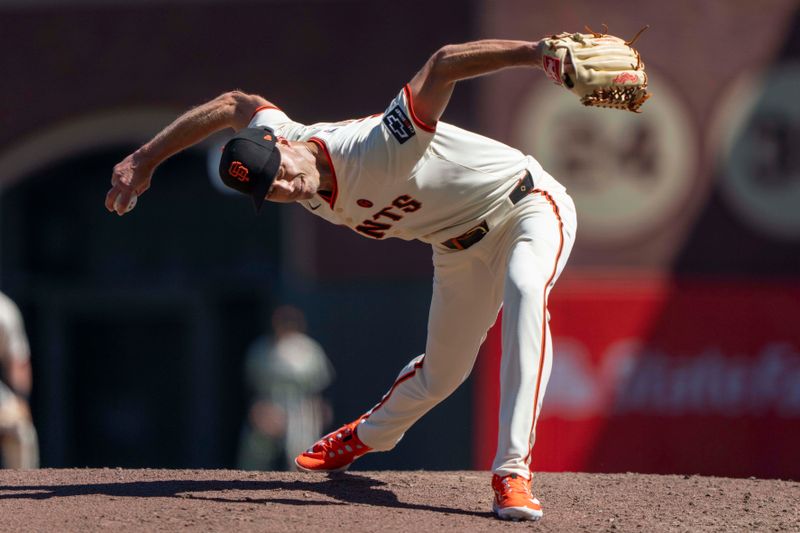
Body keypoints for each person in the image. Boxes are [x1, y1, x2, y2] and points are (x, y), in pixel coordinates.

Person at [107, 39, 577, 521]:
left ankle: (511, 472)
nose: (288, 187)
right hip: (457, 247)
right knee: (441, 374)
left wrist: (534, 52)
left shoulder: (377, 145)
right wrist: (146, 160)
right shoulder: (278, 145)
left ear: (284, 144)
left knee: (525, 288)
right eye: (273, 192)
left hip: (527, 203)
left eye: (281, 173)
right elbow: (233, 106)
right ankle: (366, 436)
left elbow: (441, 65)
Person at [238, 305, 334, 471]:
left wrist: (321, 408)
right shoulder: (261, 349)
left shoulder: (309, 349)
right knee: (254, 458)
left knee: (301, 459)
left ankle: (304, 494)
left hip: (301, 409)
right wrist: (258, 410)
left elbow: (321, 387)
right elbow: (249, 386)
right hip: (269, 405)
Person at [0, 291, 39, 469]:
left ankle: (19, 488)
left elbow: (18, 362)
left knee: (20, 429)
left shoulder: (4, 310)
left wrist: (20, 400)